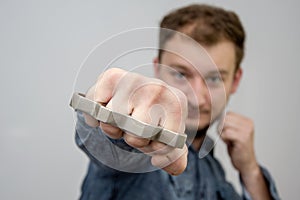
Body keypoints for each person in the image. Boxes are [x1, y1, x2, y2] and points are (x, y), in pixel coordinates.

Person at [74, 4, 280, 200]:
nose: (196, 99)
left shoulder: (214, 172)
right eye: (181, 74)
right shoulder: (137, 151)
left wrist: (251, 171)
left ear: (235, 81)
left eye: (214, 79)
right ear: (157, 68)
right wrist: (111, 115)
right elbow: (107, 146)